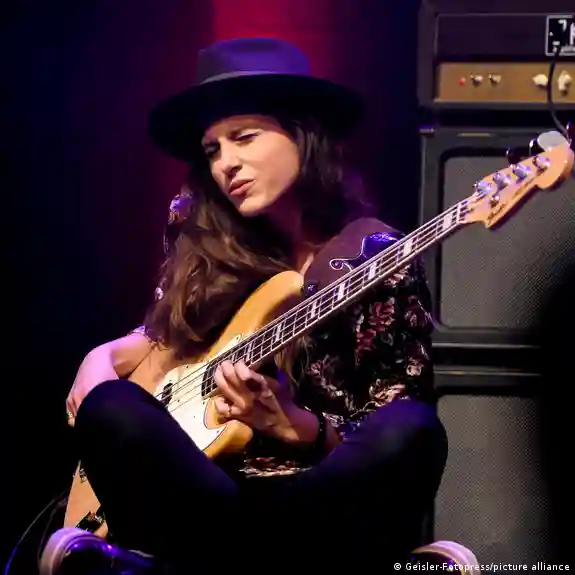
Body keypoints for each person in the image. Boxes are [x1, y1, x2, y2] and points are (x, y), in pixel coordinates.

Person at [65, 37, 448, 570]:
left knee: (412, 428)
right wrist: (99, 360)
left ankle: (239, 553)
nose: (227, 164)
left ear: (303, 136)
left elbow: (387, 421)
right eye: (213, 150)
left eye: (244, 137)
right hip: (200, 489)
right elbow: (161, 343)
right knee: (112, 408)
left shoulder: (376, 255)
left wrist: (292, 423)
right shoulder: (202, 238)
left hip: (314, 502)